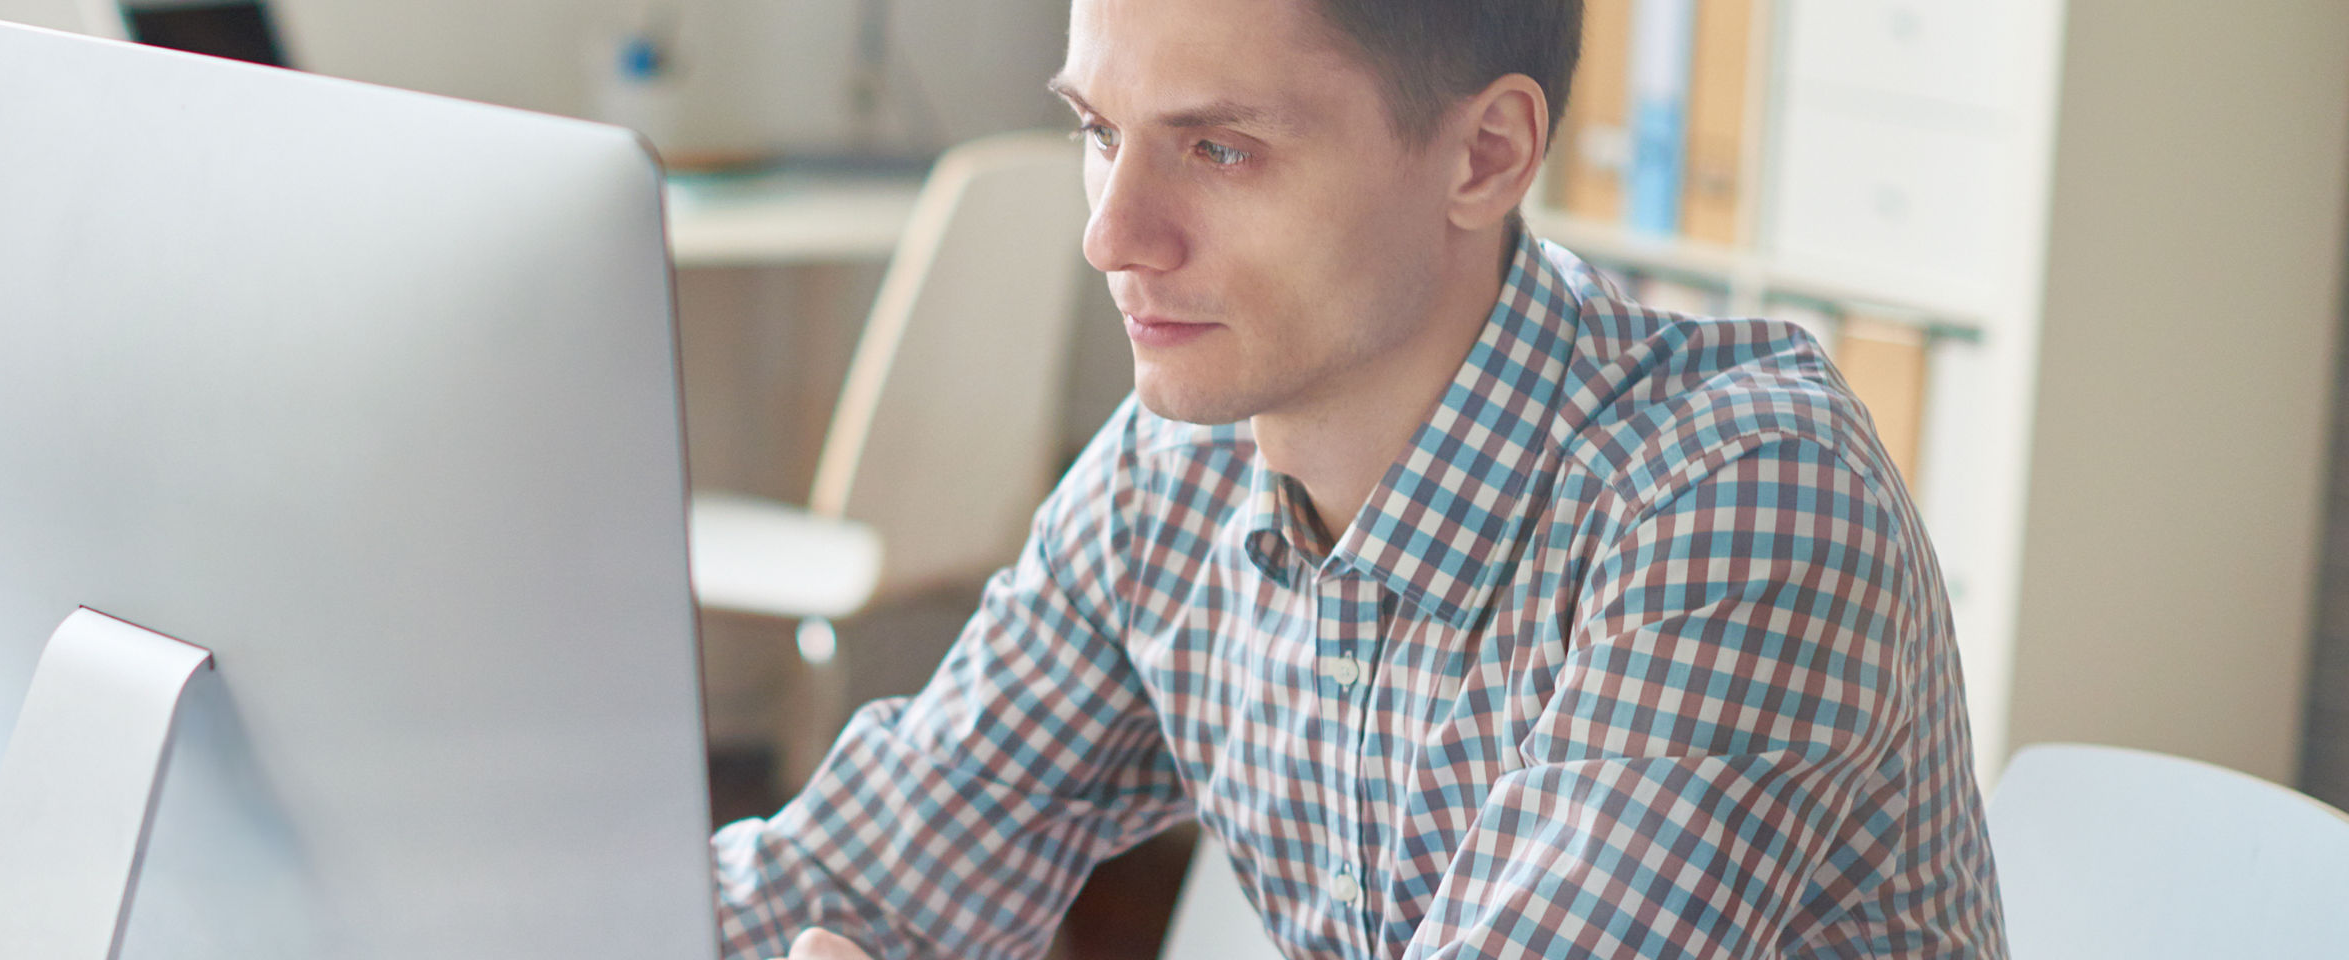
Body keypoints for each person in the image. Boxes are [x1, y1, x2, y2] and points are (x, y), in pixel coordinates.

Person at [711, 0, 2007, 956]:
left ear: (1486, 155)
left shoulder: (1736, 500)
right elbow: (854, 875)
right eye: (1101, 131)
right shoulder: (1178, 473)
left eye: (1219, 149)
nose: (1111, 235)